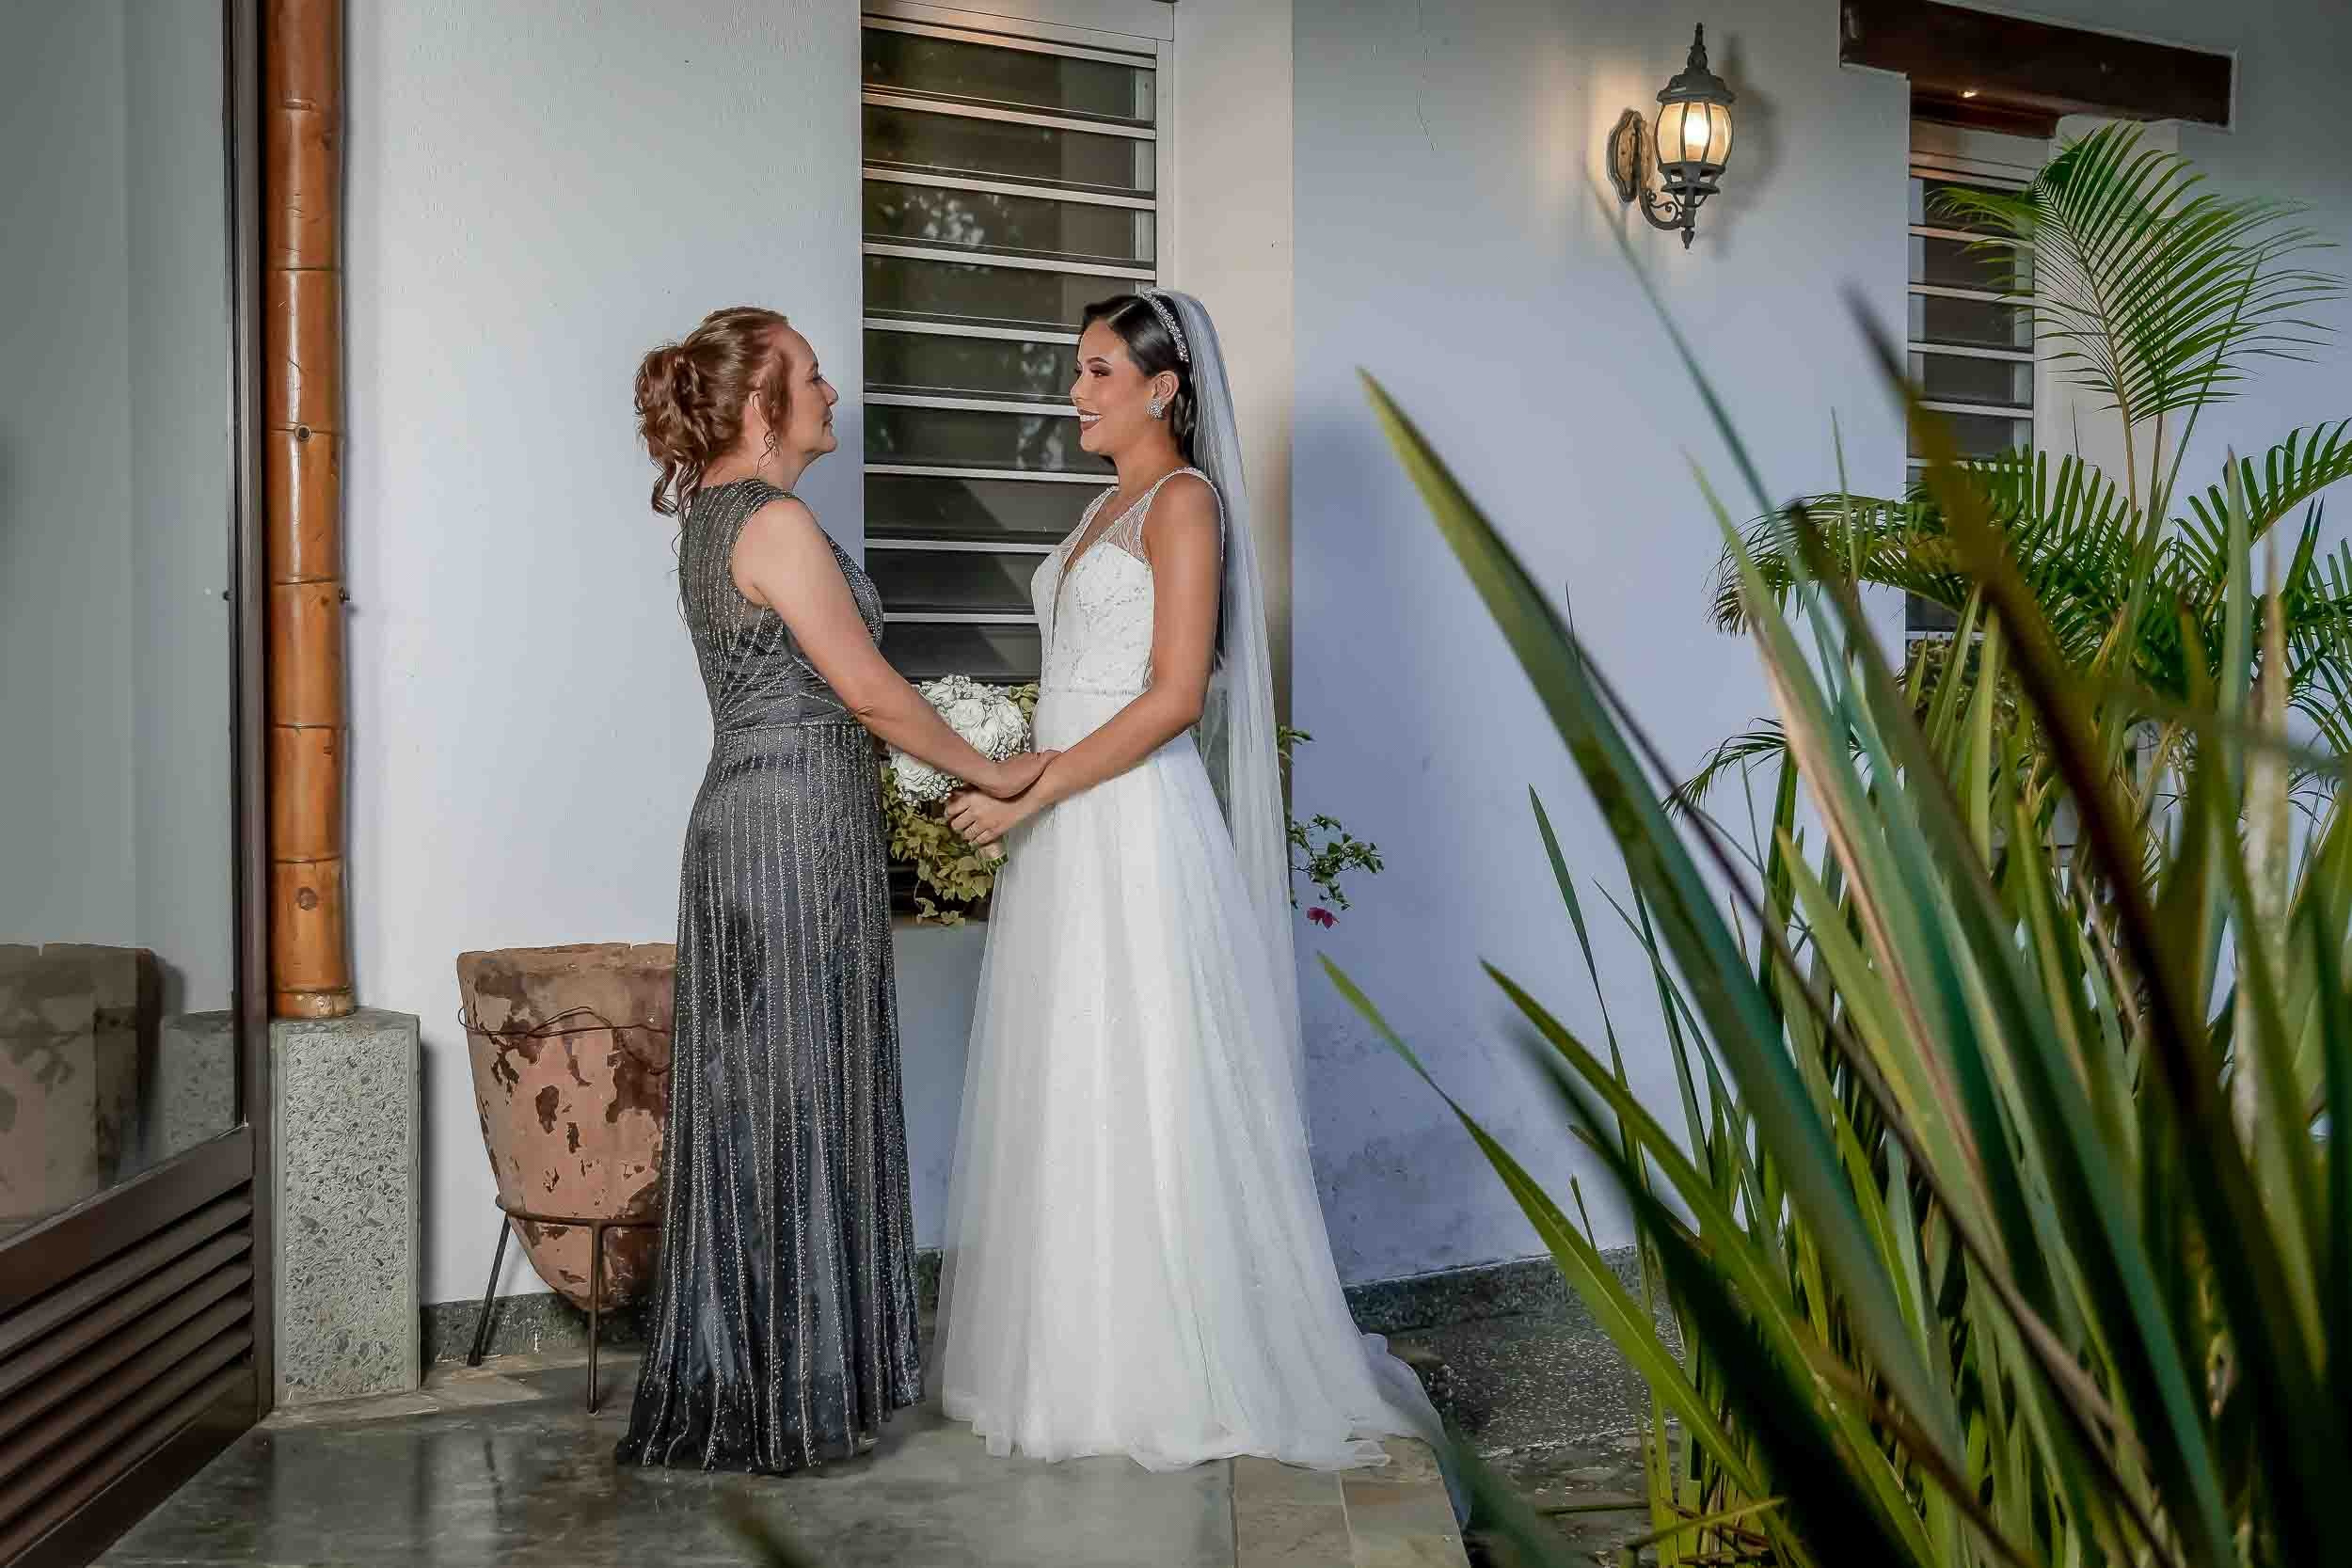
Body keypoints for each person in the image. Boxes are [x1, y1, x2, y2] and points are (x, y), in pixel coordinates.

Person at [933, 291, 1445, 1474]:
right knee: (1073, 1069)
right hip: (1063, 820)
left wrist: (1035, 779)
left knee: (1151, 1072)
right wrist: (1023, 782)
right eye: (1078, 371)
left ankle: (1179, 1360)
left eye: (1098, 370)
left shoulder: (1184, 504)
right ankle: (1073, 1351)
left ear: (1163, 385)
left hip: (1126, 820)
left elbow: (1171, 699)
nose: (1076, 392)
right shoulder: (1098, 506)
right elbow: (1080, 677)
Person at [615, 306, 1048, 1474]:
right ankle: (794, 1388)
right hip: (791, 824)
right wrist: (998, 768)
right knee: (800, 1084)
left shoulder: (710, 521)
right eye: (809, 376)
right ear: (762, 406)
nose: (830, 391)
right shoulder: (774, 519)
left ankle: (757, 1375)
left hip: (752, 820)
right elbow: (866, 690)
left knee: (762, 1089)